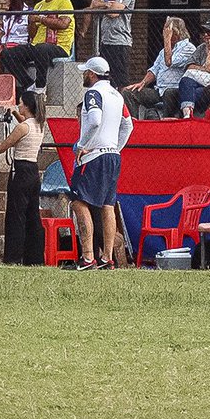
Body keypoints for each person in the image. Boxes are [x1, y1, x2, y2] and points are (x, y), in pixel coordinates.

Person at [70, 56, 134, 270]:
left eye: (86, 72)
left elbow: (95, 120)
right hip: (112, 155)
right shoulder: (117, 95)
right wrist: (115, 147)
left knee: (79, 202)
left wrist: (82, 144)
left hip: (94, 156)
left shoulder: (93, 93)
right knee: (108, 204)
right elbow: (128, 125)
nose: (84, 75)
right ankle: (107, 258)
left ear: (92, 74)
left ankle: (88, 257)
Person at [0, 89, 47, 266]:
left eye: (20, 103)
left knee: (16, 215)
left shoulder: (22, 128)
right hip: (33, 171)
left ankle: (13, 257)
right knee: (32, 215)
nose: (19, 105)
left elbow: (1, 147)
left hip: (20, 171)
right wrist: (14, 113)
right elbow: (25, 123)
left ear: (27, 106)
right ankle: (34, 257)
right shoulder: (39, 124)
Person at [1, 0, 74, 94]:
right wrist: (31, 22)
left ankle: (41, 86)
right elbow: (32, 34)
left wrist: (40, 19)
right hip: (36, 46)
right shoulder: (38, 6)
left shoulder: (64, 2)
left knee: (41, 48)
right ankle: (29, 84)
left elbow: (63, 24)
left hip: (59, 46)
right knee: (7, 54)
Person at [122, 16, 196, 118]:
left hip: (174, 90)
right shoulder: (163, 51)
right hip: (159, 90)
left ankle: (166, 122)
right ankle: (134, 121)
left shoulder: (188, 48)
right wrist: (142, 83)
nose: (164, 34)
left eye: (167, 32)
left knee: (168, 93)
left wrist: (167, 40)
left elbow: (169, 62)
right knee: (128, 92)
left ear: (176, 33)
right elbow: (154, 69)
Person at [165, 18, 210, 118]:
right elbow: (189, 67)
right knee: (175, 88)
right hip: (199, 84)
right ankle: (183, 117)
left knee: (189, 94)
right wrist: (207, 70)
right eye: (204, 32)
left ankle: (187, 116)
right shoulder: (201, 48)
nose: (206, 35)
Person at [87, 0, 135, 89]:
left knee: (121, 80)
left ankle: (123, 101)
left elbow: (114, 12)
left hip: (119, 41)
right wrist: (106, 4)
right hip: (105, 40)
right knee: (105, 77)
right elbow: (94, 3)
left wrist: (107, 6)